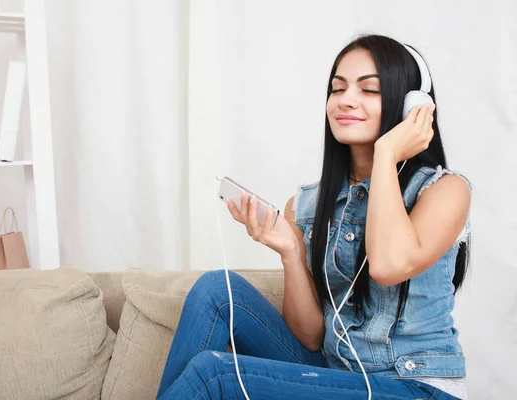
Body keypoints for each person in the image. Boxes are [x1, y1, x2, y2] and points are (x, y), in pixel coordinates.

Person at [156, 34, 471, 400]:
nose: (345, 101)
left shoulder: (444, 191)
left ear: (410, 107)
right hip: (338, 378)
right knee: (216, 289)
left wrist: (387, 154)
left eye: (369, 90)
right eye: (338, 89)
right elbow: (309, 337)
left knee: (216, 375)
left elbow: (387, 265)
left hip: (415, 387)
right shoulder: (306, 204)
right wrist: (291, 251)